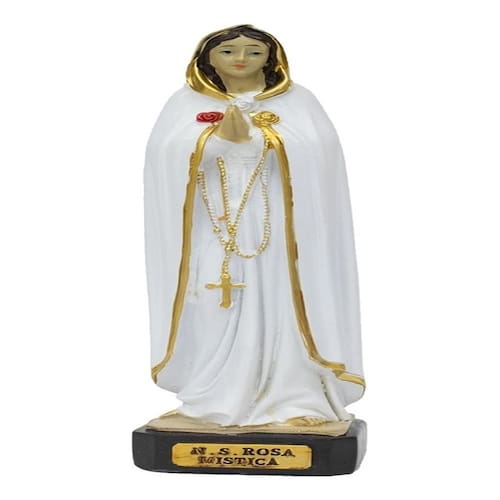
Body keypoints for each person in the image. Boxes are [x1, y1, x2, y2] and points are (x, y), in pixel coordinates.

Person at [144, 25, 365, 427]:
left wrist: (267, 138)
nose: (240, 59)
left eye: (253, 51)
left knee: (284, 302)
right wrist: (212, 140)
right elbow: (165, 155)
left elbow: (319, 153)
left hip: (277, 225)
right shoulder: (184, 104)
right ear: (207, 59)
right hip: (214, 223)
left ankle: (294, 398)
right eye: (228, 51)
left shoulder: (298, 101)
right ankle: (210, 398)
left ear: (271, 58)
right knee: (209, 303)